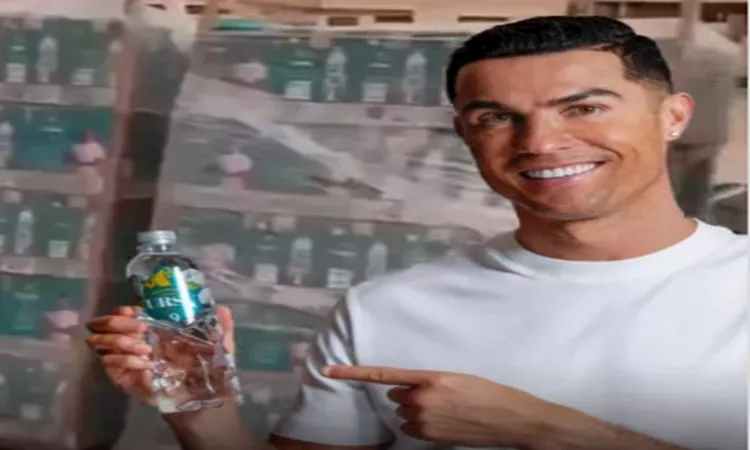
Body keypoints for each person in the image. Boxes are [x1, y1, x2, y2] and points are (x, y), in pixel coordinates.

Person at [85, 15, 747, 450]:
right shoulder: (385, 308)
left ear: (672, 116)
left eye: (585, 108)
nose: (541, 142)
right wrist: (202, 410)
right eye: (496, 117)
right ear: (466, 135)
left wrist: (545, 430)